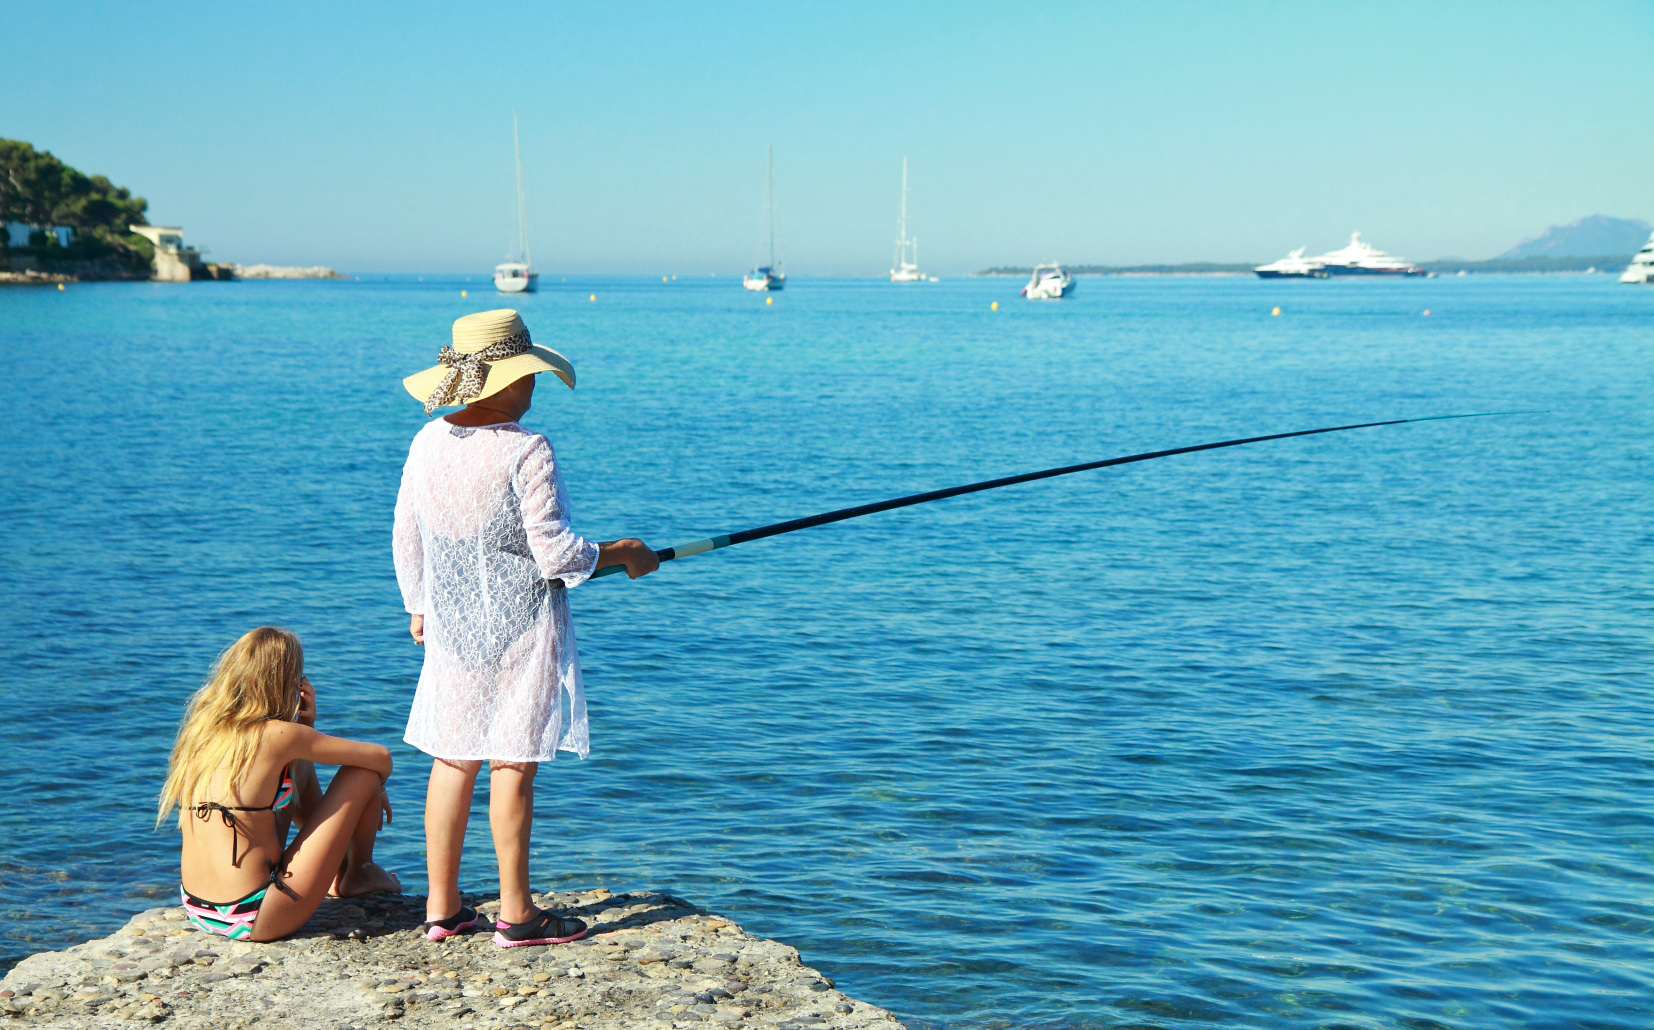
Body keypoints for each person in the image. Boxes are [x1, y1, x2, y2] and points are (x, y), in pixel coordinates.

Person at [394, 309, 658, 948]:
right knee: (512, 761)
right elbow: (558, 557)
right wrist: (624, 553)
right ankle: (517, 914)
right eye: (525, 374)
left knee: (453, 757)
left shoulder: (427, 441)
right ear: (498, 384)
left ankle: (443, 908)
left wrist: (419, 605)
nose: (533, 385)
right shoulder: (526, 448)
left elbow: (407, 534)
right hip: (520, 628)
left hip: (453, 628)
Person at [159, 627, 397, 942]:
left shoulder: (202, 732)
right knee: (363, 774)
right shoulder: (277, 735)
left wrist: (305, 731)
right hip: (256, 913)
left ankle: (349, 871)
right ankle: (360, 872)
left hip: (199, 910)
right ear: (287, 683)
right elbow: (380, 757)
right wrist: (376, 787)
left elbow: (298, 808)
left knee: (324, 773)